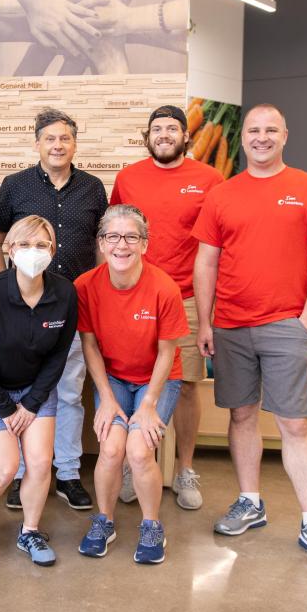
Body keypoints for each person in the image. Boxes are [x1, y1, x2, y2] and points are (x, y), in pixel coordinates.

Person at [192, 104, 307, 566]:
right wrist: (205, 320)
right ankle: (250, 502)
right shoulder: (223, 194)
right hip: (232, 325)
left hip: (286, 323)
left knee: (295, 424)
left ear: (285, 135)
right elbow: (206, 261)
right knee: (241, 417)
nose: (261, 137)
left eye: (270, 130)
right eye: (254, 130)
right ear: (244, 138)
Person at [0, 107, 107, 511]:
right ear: (37, 143)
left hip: (71, 306)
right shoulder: (14, 185)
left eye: (65, 139)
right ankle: (21, 472)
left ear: (75, 144)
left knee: (70, 393)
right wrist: (0, 286)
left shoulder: (93, 188)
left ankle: (69, 473)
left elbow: (98, 243)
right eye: (50, 139)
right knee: (22, 390)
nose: (58, 145)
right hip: (21, 307)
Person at [110, 105, 224, 510]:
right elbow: (113, 233)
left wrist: (210, 315)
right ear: (148, 137)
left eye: (172, 128)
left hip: (187, 297)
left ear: (185, 136)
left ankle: (184, 468)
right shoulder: (128, 178)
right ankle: (131, 464)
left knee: (188, 384)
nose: (164, 134)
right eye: (157, 129)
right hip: (132, 296)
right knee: (128, 380)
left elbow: (218, 245)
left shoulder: (209, 179)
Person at [75, 204, 188, 564]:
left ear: (144, 244)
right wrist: (106, 400)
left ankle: (152, 524)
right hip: (114, 377)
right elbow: (89, 345)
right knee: (110, 449)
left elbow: (167, 353)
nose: (121, 245)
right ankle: (104, 521)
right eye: (112, 236)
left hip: (158, 378)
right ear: (101, 243)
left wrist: (148, 404)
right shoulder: (86, 286)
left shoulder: (164, 288)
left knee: (139, 451)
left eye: (131, 237)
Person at [0, 215, 76, 566]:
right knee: (6, 467)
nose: (33, 251)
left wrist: (31, 402)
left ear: (53, 251)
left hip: (35, 388)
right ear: (9, 249)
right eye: (24, 244)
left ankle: (30, 531)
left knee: (40, 463)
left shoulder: (64, 293)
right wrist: (7, 409)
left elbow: (59, 356)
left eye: (41, 245)